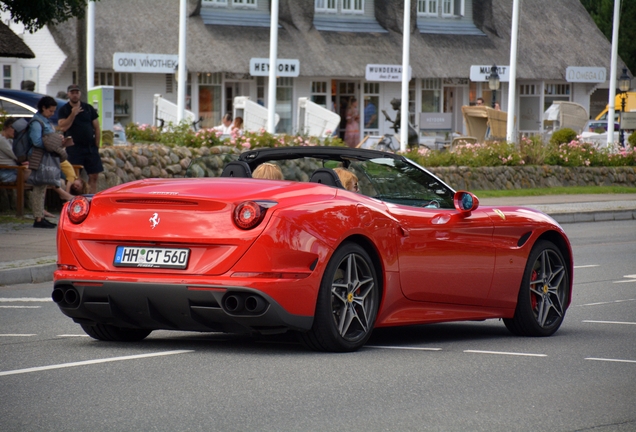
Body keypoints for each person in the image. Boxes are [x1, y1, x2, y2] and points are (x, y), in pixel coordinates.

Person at [58, 84, 103, 194]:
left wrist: (96, 145)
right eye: (72, 93)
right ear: (68, 94)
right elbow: (63, 126)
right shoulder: (64, 109)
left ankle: (91, 198)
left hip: (90, 147)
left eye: (76, 92)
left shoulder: (88, 108)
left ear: (80, 94)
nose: (74, 95)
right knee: (74, 177)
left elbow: (96, 127)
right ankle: (75, 201)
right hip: (74, 148)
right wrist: (73, 114)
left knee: (94, 175)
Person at [28, 96, 64, 228]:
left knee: (42, 187)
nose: (52, 114)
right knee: (39, 187)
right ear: (44, 108)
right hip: (39, 157)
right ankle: (38, 218)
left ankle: (40, 216)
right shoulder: (37, 122)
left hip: (45, 156)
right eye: (51, 111)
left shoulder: (45, 121)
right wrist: (53, 143)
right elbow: (36, 141)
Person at [0, 118, 24, 183]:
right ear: (5, 128)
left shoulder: (9, 140)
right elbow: (16, 155)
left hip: (11, 169)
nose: (15, 131)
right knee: (36, 177)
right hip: (5, 172)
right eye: (13, 128)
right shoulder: (2, 140)